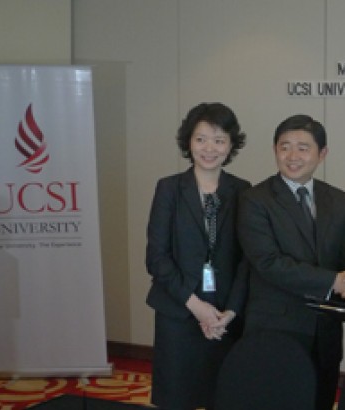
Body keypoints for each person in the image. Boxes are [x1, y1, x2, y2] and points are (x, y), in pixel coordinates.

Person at [237, 114, 345, 410]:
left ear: (322, 154)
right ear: (275, 150)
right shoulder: (255, 200)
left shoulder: (339, 200)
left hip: (325, 332)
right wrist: (335, 281)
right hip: (276, 329)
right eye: (285, 147)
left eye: (303, 148)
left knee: (320, 402)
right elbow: (269, 263)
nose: (293, 156)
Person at [145, 102, 251, 409]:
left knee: (225, 395)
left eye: (219, 140)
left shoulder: (243, 191)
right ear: (188, 141)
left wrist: (228, 311)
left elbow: (247, 260)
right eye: (201, 138)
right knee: (177, 398)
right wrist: (196, 306)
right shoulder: (169, 189)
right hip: (178, 312)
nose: (209, 148)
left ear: (231, 145)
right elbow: (157, 258)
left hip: (225, 317)